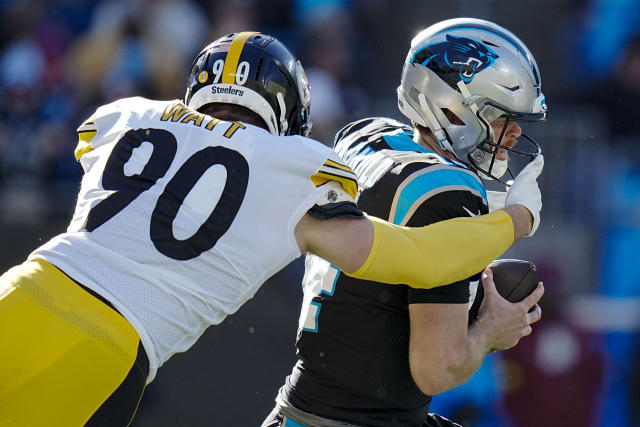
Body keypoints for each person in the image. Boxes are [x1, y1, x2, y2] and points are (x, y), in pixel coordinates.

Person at [0, 31, 539, 427]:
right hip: (102, 346)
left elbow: (85, 146)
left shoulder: (129, 116)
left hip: (20, 292)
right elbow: (424, 260)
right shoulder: (289, 169)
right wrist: (516, 219)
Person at [263, 18, 547, 427]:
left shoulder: (362, 137)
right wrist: (489, 331)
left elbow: (397, 212)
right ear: (453, 108)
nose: (516, 134)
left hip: (305, 407)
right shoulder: (449, 192)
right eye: (503, 118)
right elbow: (437, 368)